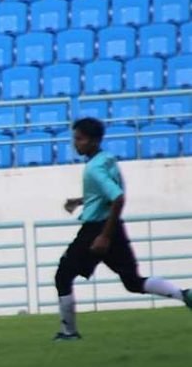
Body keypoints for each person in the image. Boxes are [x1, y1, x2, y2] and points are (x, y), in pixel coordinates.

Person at [53, 118, 192, 341]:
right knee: (133, 282)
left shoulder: (93, 168)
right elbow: (108, 193)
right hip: (114, 226)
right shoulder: (107, 159)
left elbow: (117, 197)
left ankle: (69, 332)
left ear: (93, 141)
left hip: (97, 230)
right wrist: (81, 200)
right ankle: (183, 294)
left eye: (79, 139)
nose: (75, 143)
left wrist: (104, 237)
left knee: (62, 276)